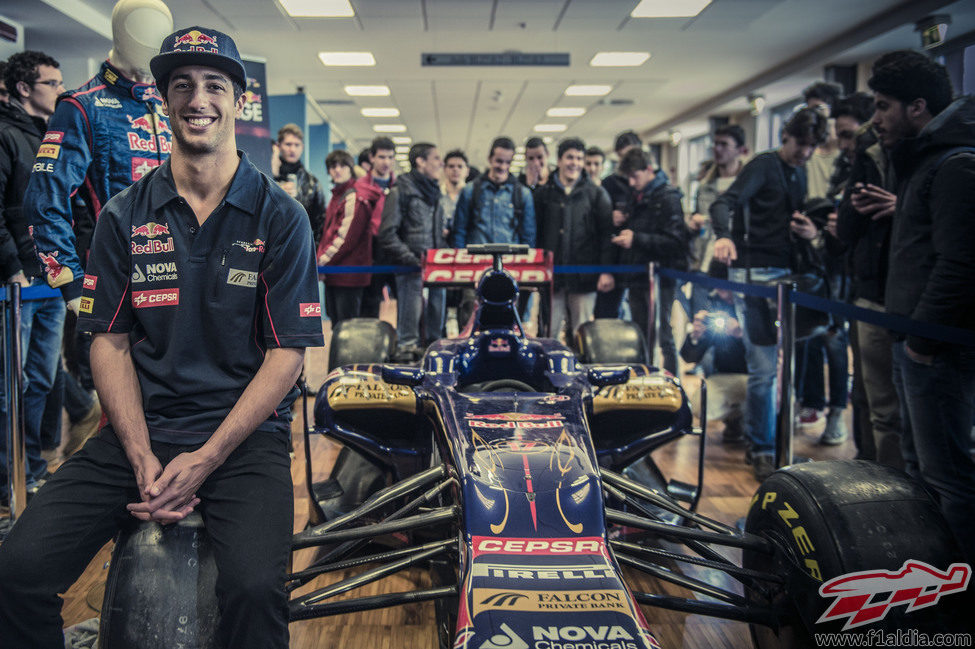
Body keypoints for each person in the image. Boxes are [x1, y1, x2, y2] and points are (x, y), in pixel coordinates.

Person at [0, 26, 324, 648]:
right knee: (17, 573)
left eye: (213, 86)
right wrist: (143, 453)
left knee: (257, 592)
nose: (197, 98)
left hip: (245, 439)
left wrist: (206, 459)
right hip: (136, 431)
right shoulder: (124, 214)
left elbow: (287, 356)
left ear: (238, 101)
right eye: (182, 86)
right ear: (165, 101)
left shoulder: (281, 215)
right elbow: (109, 343)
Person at [869, 50, 975, 563]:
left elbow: (960, 264)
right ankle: (931, 580)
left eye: (883, 106)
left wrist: (921, 343)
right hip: (916, 342)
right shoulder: (925, 160)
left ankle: (959, 593)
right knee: (922, 470)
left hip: (936, 350)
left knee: (949, 477)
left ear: (917, 107)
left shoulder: (954, 164)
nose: (876, 118)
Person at [710, 107, 828, 481]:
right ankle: (762, 448)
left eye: (811, 147)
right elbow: (723, 203)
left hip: (789, 276)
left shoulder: (798, 171)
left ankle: (776, 446)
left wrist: (809, 231)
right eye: (800, 145)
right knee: (764, 369)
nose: (805, 153)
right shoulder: (763, 166)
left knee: (783, 367)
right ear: (786, 138)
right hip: (756, 276)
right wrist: (724, 235)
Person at [0, 50, 65, 503]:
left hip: (50, 280)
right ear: (25, 89)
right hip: (15, 286)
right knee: (11, 388)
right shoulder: (5, 135)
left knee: (41, 381)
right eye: (52, 83)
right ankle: (9, 481)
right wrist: (12, 269)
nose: (61, 91)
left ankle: (34, 470)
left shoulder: (51, 138)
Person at [835, 93, 903, 469]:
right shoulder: (866, 158)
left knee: (894, 411)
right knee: (872, 402)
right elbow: (846, 228)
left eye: (884, 106)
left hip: (911, 302)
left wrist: (902, 208)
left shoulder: (937, 159)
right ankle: (874, 484)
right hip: (869, 293)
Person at [614, 147, 689, 375]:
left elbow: (676, 242)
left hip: (660, 277)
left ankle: (671, 385)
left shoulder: (668, 198)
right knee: (640, 334)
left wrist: (636, 238)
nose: (631, 181)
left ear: (649, 170)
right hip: (637, 275)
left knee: (663, 335)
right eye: (629, 177)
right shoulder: (637, 196)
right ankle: (643, 378)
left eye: (635, 176)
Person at [534, 137, 613, 342]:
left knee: (582, 333)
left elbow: (606, 235)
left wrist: (606, 270)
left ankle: (579, 372)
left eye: (579, 158)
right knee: (548, 332)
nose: (575, 163)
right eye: (570, 157)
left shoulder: (597, 195)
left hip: (585, 276)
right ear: (559, 160)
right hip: (552, 277)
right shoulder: (543, 194)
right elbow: (535, 233)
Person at [453, 136, 536, 328]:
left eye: (507, 162)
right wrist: (459, 267)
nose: (502, 166)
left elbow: (528, 236)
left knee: (510, 320)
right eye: (499, 161)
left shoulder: (522, 194)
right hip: (474, 267)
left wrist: (528, 267)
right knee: (469, 320)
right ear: (490, 159)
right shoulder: (470, 191)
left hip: (511, 267)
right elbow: (460, 231)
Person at [378, 142, 446, 361]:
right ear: (420, 161)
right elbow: (387, 234)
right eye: (435, 158)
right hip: (410, 271)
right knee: (409, 337)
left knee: (436, 334)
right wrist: (413, 260)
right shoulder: (400, 192)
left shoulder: (434, 193)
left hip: (436, 271)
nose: (440, 163)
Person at [681, 262, 748, 444]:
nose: (721, 293)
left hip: (759, 378)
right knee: (699, 405)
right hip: (726, 377)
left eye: (725, 287)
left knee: (759, 392)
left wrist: (742, 334)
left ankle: (760, 435)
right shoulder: (715, 306)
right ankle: (736, 421)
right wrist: (696, 336)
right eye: (718, 287)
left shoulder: (756, 304)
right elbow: (689, 357)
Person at [688, 125, 747, 316]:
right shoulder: (704, 187)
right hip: (704, 263)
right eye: (715, 144)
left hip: (735, 267)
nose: (718, 149)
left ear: (739, 149)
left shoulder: (748, 185)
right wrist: (692, 223)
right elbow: (695, 219)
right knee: (701, 324)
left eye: (724, 144)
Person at [318, 149, 381, 325]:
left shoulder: (354, 197)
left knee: (348, 328)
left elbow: (344, 239)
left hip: (349, 275)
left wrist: (320, 263)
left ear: (350, 168)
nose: (337, 170)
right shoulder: (337, 195)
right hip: (335, 273)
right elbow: (329, 234)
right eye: (333, 166)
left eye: (343, 166)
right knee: (338, 325)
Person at [596, 130, 643, 319]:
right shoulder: (609, 184)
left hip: (641, 259)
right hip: (615, 258)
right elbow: (601, 226)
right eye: (625, 156)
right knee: (607, 314)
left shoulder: (651, 185)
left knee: (642, 318)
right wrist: (610, 216)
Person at [359, 136, 397, 318]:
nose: (386, 162)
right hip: (370, 250)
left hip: (395, 249)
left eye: (390, 157)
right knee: (371, 301)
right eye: (382, 157)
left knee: (406, 301)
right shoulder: (359, 187)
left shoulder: (400, 187)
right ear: (372, 157)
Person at [272, 123, 326, 247]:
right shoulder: (267, 176)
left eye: (297, 145)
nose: (292, 149)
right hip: (270, 246)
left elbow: (320, 222)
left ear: (302, 147)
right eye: (288, 144)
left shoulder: (312, 182)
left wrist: (313, 252)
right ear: (279, 146)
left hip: (301, 245)